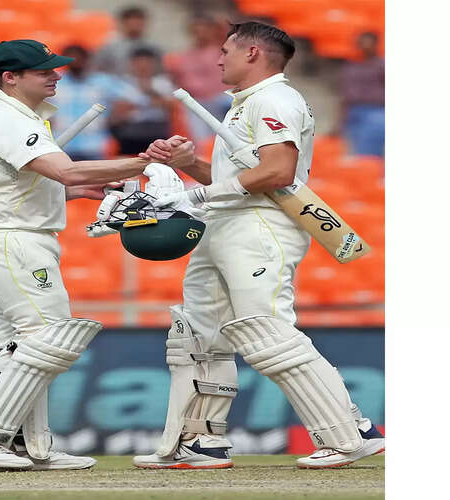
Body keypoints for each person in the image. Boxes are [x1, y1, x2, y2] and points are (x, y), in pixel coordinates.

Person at [131, 22, 385, 470]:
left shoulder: (274, 99)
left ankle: (350, 433)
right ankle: (201, 441)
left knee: (266, 331)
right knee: (200, 337)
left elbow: (278, 172)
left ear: (252, 53)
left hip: (259, 227)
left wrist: (195, 195)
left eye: (226, 50)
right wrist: (191, 164)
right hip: (224, 224)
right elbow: (237, 180)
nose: (218, 59)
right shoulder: (244, 104)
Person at [0, 39, 153, 471]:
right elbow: (64, 170)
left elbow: (24, 188)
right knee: (48, 337)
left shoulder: (24, 118)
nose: (56, 75)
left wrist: (78, 191)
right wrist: (142, 162)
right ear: (10, 78)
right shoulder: (9, 119)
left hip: (5, 235)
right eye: (43, 71)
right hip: (9, 240)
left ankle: (26, 444)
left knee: (13, 345)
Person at [50, 45, 135, 161]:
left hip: (94, 144)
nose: (75, 61)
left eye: (78, 57)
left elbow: (131, 98)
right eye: (71, 58)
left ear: (87, 59)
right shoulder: (55, 81)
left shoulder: (103, 81)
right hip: (61, 143)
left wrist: (114, 119)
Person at [165, 14, 232, 145]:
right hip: (197, 104)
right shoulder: (182, 57)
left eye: (204, 29)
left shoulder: (225, 52)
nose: (200, 33)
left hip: (225, 101)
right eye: (196, 30)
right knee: (202, 139)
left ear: (212, 30)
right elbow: (175, 81)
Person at [108, 47, 175, 155]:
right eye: (139, 63)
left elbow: (170, 105)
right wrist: (153, 103)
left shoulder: (163, 83)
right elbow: (120, 108)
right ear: (132, 63)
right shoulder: (122, 83)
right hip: (131, 130)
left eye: (147, 63)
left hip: (157, 129)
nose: (143, 67)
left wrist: (148, 90)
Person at [338, 32, 385, 157]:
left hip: (375, 111)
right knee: (352, 151)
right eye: (361, 43)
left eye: (367, 43)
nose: (364, 46)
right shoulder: (351, 66)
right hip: (352, 111)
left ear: (375, 44)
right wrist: (341, 117)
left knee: (369, 153)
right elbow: (345, 93)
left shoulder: (382, 65)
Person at [92, 6, 162, 76]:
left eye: (138, 21)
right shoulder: (109, 46)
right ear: (122, 22)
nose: (134, 25)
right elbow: (97, 70)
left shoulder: (153, 47)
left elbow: (159, 71)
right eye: (131, 21)